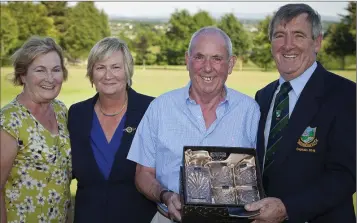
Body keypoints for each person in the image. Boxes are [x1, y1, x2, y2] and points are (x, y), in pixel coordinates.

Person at [127, 26, 260, 223]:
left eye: (217, 58)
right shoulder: (160, 108)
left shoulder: (250, 111)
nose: (207, 67)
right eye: (199, 57)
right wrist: (166, 195)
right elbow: (143, 173)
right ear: (187, 61)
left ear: (230, 64)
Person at [245, 3, 356, 223]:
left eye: (298, 35)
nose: (288, 45)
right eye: (279, 35)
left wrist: (288, 209)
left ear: (317, 42)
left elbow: (345, 175)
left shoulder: (346, 95)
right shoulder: (263, 96)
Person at [67, 37, 156, 222]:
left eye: (116, 67)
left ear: (128, 70)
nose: (108, 75)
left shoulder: (151, 109)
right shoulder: (77, 114)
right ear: (91, 73)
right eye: (100, 67)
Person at [0, 36, 72, 222]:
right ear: (23, 75)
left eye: (56, 70)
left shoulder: (60, 110)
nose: (50, 78)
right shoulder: (9, 121)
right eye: (40, 70)